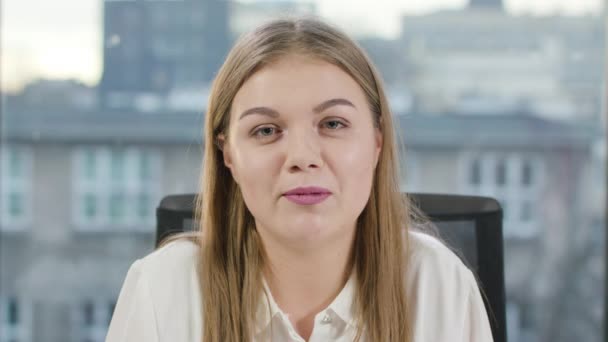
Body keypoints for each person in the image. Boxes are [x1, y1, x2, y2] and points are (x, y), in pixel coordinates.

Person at [105, 17, 494, 342]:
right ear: (228, 155)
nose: (302, 158)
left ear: (377, 142)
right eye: (266, 130)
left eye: (333, 124)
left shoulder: (438, 286)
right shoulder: (162, 289)